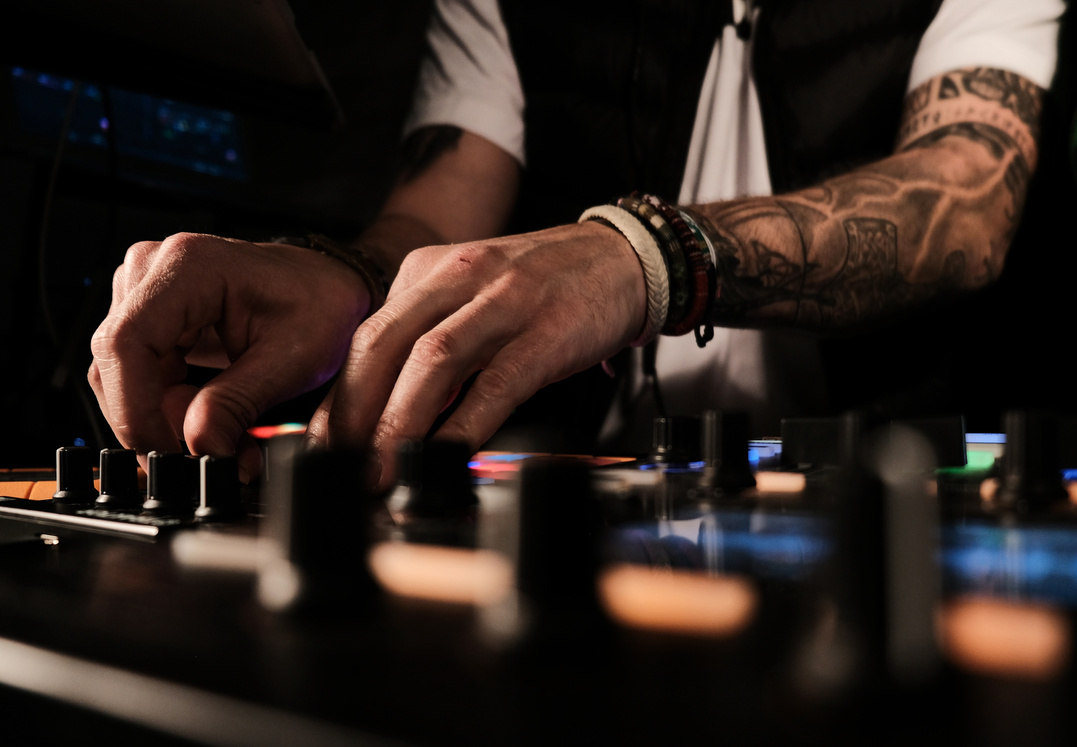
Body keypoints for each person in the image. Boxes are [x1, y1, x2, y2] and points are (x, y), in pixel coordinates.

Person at [87, 0, 1064, 488]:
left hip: (913, 482)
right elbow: (438, 213)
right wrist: (333, 278)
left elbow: (963, 195)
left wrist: (642, 255)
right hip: (597, 485)